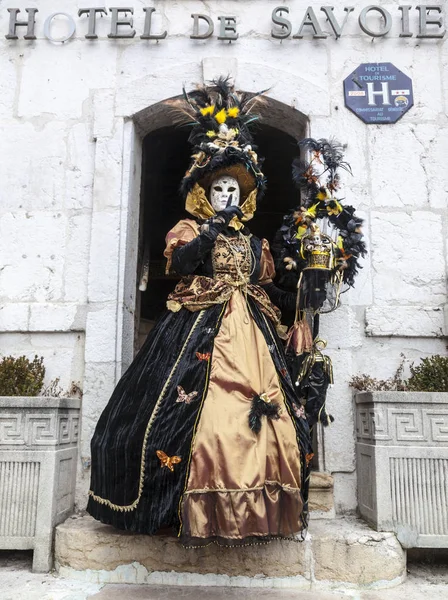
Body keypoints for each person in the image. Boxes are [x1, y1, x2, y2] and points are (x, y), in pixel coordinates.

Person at [87, 77, 312, 547]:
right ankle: (182, 505)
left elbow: (271, 281)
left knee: (271, 416)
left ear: (244, 196)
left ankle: (257, 509)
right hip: (197, 326)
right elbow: (182, 265)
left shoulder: (255, 242)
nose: (228, 194)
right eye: (220, 187)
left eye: (234, 188)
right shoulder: (188, 228)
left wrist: (309, 266)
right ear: (207, 193)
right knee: (183, 419)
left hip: (253, 331)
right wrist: (209, 231)